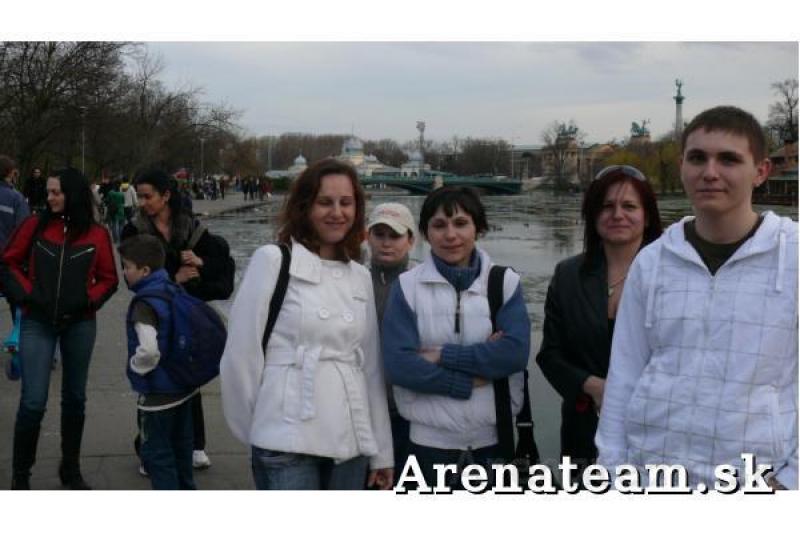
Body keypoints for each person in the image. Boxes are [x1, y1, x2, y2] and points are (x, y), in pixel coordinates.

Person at [597, 106, 798, 490]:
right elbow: (624, 375)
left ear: (761, 171)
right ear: (682, 167)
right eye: (698, 158)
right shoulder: (652, 261)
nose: (710, 172)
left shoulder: (792, 256)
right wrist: (612, 471)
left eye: (728, 159)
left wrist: (791, 481)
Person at [220, 158, 394, 490]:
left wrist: (382, 452)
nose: (337, 212)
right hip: (286, 436)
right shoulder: (273, 260)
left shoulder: (359, 275)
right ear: (305, 206)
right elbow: (241, 356)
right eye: (325, 202)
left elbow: (370, 368)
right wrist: (258, 428)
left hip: (350, 437)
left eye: (346, 203)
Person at [382, 186, 531, 489]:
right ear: (425, 233)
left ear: (479, 228)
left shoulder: (504, 283)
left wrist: (441, 355)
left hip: (493, 441)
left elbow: (514, 354)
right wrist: (469, 380)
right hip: (427, 445)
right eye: (439, 225)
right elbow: (400, 366)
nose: (450, 235)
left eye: (461, 223)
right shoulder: (407, 287)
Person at [536, 165, 662, 475]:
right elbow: (550, 355)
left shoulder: (673, 276)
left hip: (657, 434)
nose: (617, 214)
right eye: (606, 206)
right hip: (583, 432)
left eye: (629, 206)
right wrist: (593, 386)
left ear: (647, 216)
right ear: (593, 215)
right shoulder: (568, 275)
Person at [1, 167, 118, 489]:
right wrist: (28, 295)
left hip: (79, 324)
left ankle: (71, 469)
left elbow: (109, 278)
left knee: (75, 398)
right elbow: (8, 263)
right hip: (37, 322)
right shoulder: (33, 226)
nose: (49, 197)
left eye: (56, 192)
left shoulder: (96, 234)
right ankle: (20, 478)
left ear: (73, 194)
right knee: (33, 401)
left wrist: (87, 301)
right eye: (49, 191)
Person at [121, 168, 230, 472]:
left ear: (166, 195)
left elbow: (222, 268)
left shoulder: (191, 228)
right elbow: (132, 277)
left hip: (186, 315)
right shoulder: (134, 231)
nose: (142, 202)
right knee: (155, 383)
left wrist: (201, 263)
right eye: (140, 196)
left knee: (187, 377)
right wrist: (175, 278)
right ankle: (150, 449)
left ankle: (194, 444)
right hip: (153, 315)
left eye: (148, 196)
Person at [119, 234, 197, 490]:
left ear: (144, 271)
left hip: (157, 395)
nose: (124, 272)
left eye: (127, 267)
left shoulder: (144, 304)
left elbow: (149, 350)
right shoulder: (173, 289)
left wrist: (136, 366)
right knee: (182, 450)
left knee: (158, 454)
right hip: (182, 388)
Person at [366, 202, 416, 480]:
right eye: (379, 234)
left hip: (409, 410)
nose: (386, 243)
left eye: (395, 236)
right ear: (367, 237)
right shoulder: (353, 278)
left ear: (410, 240)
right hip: (361, 410)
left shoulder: (422, 282)